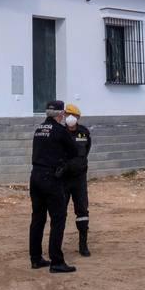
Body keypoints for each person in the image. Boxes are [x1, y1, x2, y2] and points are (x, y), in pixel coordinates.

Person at [30, 98, 79, 273]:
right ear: (60, 114)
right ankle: (56, 261)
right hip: (51, 177)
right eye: (64, 113)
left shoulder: (38, 129)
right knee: (58, 218)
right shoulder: (60, 131)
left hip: (35, 176)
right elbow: (74, 151)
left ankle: (35, 258)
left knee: (38, 218)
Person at [63, 104, 93, 257]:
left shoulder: (84, 132)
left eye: (73, 115)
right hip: (63, 180)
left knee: (82, 211)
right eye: (67, 114)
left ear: (78, 117)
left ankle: (83, 244)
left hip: (79, 179)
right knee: (60, 212)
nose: (70, 117)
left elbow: (86, 150)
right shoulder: (60, 133)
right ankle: (57, 245)